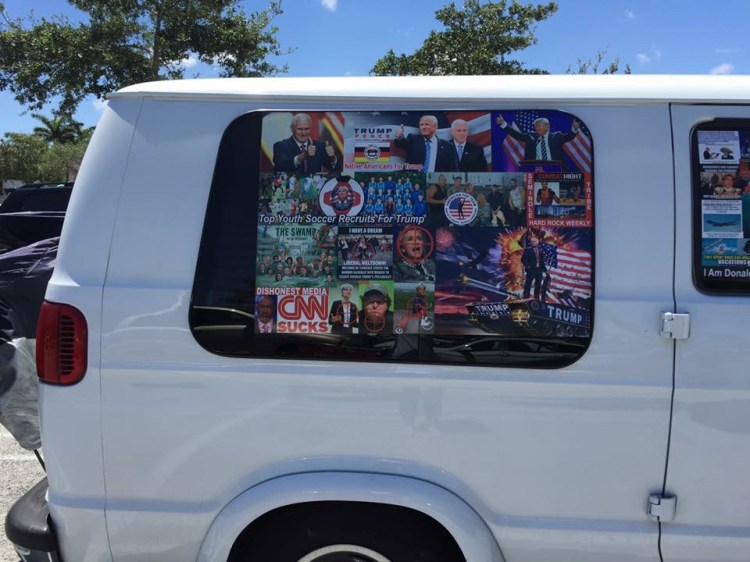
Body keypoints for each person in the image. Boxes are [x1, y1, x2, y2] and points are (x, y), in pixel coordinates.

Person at [496, 114, 580, 164]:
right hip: (534, 168)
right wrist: (503, 124)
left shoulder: (557, 136)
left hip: (554, 168)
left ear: (547, 127)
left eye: (539, 126)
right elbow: (517, 135)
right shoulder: (530, 136)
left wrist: (575, 129)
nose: (536, 128)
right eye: (535, 127)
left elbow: (570, 136)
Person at [273, 113, 338, 174]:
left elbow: (335, 169)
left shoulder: (320, 146)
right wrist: (302, 156)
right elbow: (280, 166)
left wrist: (333, 158)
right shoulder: (280, 146)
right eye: (300, 129)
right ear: (292, 129)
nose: (304, 133)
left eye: (307, 129)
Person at [522, 237, 548, 302]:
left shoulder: (540, 251)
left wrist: (545, 270)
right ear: (530, 243)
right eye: (532, 241)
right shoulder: (527, 250)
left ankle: (536, 298)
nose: (533, 242)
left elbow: (542, 262)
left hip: (539, 270)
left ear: (537, 242)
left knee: (538, 284)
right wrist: (528, 266)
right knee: (528, 283)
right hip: (531, 270)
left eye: (534, 241)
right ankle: (526, 297)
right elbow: (523, 259)